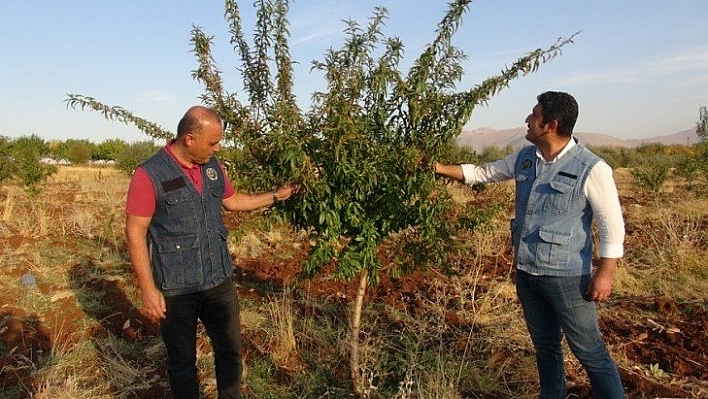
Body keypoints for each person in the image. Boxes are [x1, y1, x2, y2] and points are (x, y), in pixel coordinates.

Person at [435, 91, 625, 398]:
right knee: (545, 348)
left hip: (567, 278)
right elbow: (485, 172)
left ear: (549, 125)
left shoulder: (592, 167)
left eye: (533, 115)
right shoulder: (526, 157)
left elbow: (612, 226)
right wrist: (441, 168)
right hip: (526, 272)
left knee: (590, 352)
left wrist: (604, 274)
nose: (526, 119)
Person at [125, 105, 298, 399]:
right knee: (183, 364)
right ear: (189, 139)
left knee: (230, 352)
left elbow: (233, 201)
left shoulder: (212, 167)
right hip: (177, 289)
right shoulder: (149, 175)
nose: (216, 149)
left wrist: (274, 196)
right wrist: (148, 289)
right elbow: (135, 232)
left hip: (218, 280)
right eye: (213, 142)